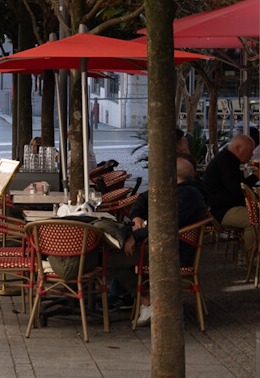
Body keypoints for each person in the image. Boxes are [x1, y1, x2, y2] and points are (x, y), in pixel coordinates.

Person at [107, 157, 208, 326]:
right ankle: (139, 296)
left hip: (171, 251)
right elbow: (142, 199)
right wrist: (137, 216)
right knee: (114, 252)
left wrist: (136, 236)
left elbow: (165, 227)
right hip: (159, 244)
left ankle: (145, 297)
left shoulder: (188, 195)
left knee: (109, 259)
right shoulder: (175, 188)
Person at [202, 133, 258, 262]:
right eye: (250, 152)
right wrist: (256, 177)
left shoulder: (227, 159)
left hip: (220, 207)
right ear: (238, 149)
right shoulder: (225, 162)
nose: (251, 156)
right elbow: (237, 189)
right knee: (253, 220)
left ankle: (247, 255)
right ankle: (251, 257)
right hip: (220, 211)